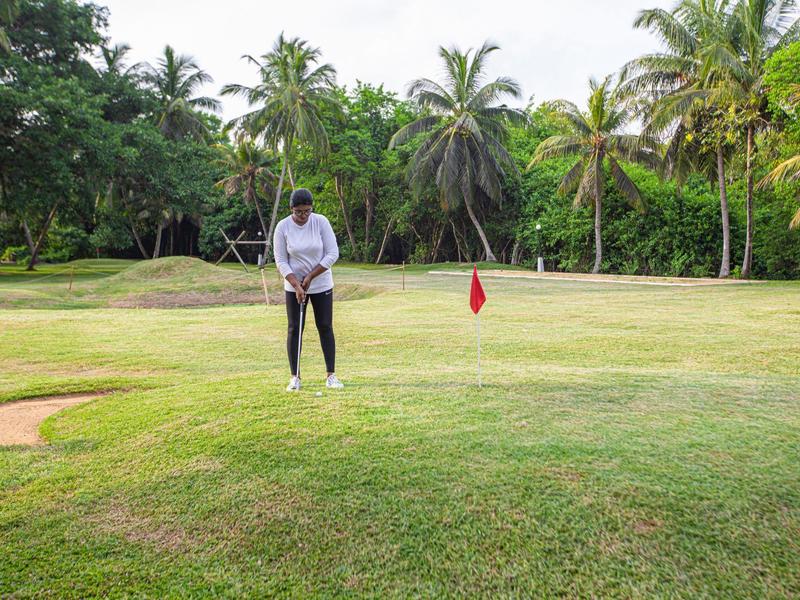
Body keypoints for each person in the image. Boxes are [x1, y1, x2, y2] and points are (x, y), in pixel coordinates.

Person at [274, 188, 344, 392]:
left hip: (321, 283)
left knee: (325, 326)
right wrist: (296, 284)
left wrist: (311, 276)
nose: (303, 216)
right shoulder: (282, 227)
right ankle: (295, 377)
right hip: (293, 286)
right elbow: (280, 260)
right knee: (295, 328)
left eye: (307, 211)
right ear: (291, 209)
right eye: (299, 212)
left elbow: (332, 253)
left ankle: (331, 375)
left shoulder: (320, 222)